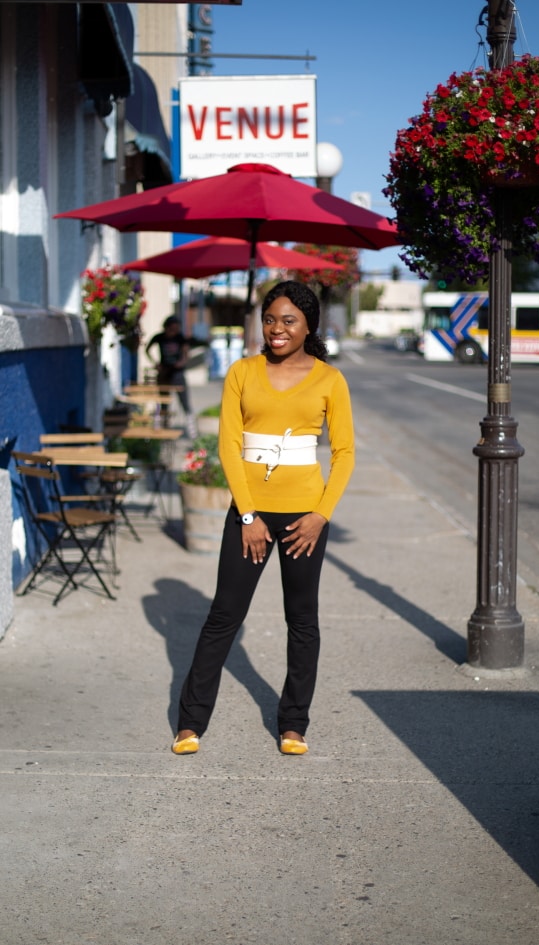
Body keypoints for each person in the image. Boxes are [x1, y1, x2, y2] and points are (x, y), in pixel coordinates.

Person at [172, 280, 355, 757]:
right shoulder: (242, 372)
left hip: (304, 517)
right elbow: (228, 446)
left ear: (308, 325)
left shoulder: (329, 380)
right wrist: (248, 514)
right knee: (223, 616)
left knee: (302, 620)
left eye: (288, 320)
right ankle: (190, 722)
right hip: (249, 515)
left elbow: (345, 453)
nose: (276, 329)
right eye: (270, 319)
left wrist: (320, 515)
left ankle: (293, 724)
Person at [145, 316, 199, 438]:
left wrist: (182, 362)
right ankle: (163, 428)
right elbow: (147, 349)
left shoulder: (180, 338)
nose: (174, 331)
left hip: (177, 373)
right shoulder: (159, 337)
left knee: (184, 402)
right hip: (164, 372)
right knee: (163, 401)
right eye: (172, 328)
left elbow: (186, 352)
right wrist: (155, 363)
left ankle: (192, 432)